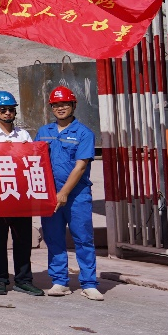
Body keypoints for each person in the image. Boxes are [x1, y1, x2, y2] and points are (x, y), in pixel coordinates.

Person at [36, 86, 102, 301]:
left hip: (76, 196)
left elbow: (80, 166)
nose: (60, 108)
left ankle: (89, 283)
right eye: (56, 105)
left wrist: (63, 193)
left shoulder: (84, 133)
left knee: (83, 239)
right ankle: (59, 281)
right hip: (49, 196)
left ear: (73, 105)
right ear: (51, 108)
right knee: (54, 238)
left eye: (64, 104)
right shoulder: (43, 132)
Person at [0, 91, 44, 297]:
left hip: (21, 193)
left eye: (11, 109)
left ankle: (24, 279)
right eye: (3, 110)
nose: (7, 113)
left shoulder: (23, 135)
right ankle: (0, 279)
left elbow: (33, 161)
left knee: (23, 238)